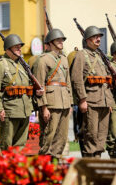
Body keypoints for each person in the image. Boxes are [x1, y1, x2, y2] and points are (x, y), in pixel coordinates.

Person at [0, 34, 43, 152]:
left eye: (20, 47)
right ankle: (3, 168)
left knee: (20, 145)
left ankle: (15, 168)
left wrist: (36, 93)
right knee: (6, 145)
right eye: (16, 47)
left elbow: (27, 87)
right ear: (8, 49)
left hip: (25, 110)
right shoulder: (0, 65)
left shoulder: (22, 66)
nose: (19, 49)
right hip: (9, 110)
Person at [71, 26, 116, 158]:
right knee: (91, 135)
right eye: (95, 37)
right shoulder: (81, 54)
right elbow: (76, 78)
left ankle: (97, 161)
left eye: (99, 37)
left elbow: (106, 78)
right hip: (90, 101)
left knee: (102, 137)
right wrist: (82, 99)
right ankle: (89, 164)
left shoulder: (100, 56)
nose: (98, 39)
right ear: (88, 39)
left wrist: (115, 83)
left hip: (104, 101)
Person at [34, 29, 73, 158]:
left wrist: (70, 103)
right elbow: (39, 86)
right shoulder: (42, 60)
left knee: (61, 138)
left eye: (62, 40)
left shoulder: (64, 59)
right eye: (58, 40)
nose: (61, 42)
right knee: (48, 137)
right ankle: (44, 166)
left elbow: (68, 83)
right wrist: (44, 107)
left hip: (65, 103)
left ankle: (54, 166)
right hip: (51, 103)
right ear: (50, 42)